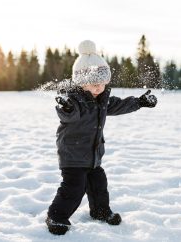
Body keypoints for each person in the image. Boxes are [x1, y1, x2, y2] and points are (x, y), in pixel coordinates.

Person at [45, 40, 157, 235]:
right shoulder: (75, 100)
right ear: (82, 82)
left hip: (93, 155)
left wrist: (139, 102)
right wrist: (67, 107)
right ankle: (56, 216)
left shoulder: (102, 100)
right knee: (74, 189)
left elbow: (120, 105)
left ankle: (100, 212)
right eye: (93, 84)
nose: (98, 88)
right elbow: (67, 114)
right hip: (73, 154)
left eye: (102, 83)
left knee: (99, 185)